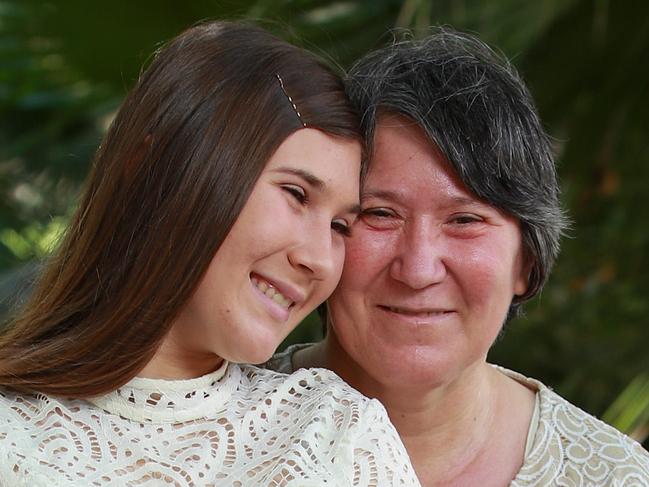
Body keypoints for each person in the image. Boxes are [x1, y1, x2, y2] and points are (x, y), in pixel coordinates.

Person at [0, 21, 421, 486]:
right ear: (155, 172)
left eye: (341, 225)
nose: (320, 260)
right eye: (297, 194)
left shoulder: (338, 435)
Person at [266, 28, 649, 485]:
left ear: (527, 261)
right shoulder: (193, 427)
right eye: (380, 214)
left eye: (465, 220)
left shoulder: (615, 476)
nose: (418, 270)